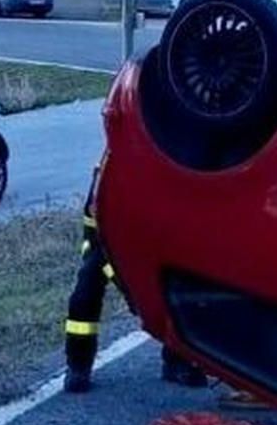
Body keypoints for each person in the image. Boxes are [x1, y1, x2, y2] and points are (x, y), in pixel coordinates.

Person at [62, 163, 205, 393]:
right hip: (108, 243)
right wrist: (98, 258)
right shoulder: (108, 172)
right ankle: (78, 367)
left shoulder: (163, 165)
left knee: (175, 293)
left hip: (154, 244)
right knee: (83, 295)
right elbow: (91, 223)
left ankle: (178, 361)